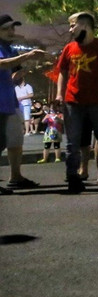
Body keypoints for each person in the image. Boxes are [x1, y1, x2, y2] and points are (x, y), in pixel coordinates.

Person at [54, 12, 98, 193]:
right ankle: (73, 177)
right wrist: (59, 94)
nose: (70, 29)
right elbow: (62, 71)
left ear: (84, 25)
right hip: (73, 102)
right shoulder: (69, 48)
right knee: (73, 143)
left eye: (73, 25)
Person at [0, 14, 48, 193]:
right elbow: (2, 64)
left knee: (15, 140)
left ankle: (15, 176)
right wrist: (27, 55)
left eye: (13, 28)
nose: (11, 31)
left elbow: (13, 74)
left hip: (9, 101)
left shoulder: (9, 49)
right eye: (6, 28)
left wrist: (34, 63)